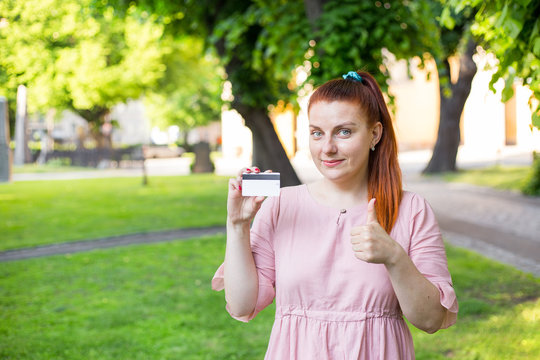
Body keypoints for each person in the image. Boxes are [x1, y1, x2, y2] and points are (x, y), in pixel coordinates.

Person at [212, 70, 458, 359]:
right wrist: (238, 225)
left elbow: (430, 320)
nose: (327, 148)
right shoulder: (282, 205)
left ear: (374, 134)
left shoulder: (411, 210)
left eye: (344, 131)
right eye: (317, 133)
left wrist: (395, 257)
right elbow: (242, 305)